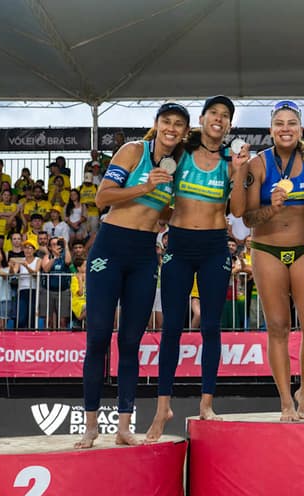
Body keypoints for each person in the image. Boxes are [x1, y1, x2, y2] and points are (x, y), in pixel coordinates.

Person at [77, 102, 191, 449]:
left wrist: (172, 211)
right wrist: (145, 187)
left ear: (185, 132)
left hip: (144, 253)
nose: (171, 128)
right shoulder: (133, 151)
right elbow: (102, 197)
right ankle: (91, 426)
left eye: (178, 125)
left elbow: (166, 211)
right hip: (110, 248)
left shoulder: (181, 165)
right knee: (97, 338)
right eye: (166, 121)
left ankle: (124, 426)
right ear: (156, 125)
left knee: (130, 343)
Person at [146, 95, 250, 441]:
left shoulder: (230, 159)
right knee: (172, 328)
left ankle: (207, 404)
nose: (219, 119)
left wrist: (239, 170)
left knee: (210, 327)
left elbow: (236, 211)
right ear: (203, 119)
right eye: (213, 113)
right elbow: (160, 200)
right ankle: (163, 408)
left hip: (213, 247)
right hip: (178, 243)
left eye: (225, 116)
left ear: (230, 125)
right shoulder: (181, 153)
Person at [240, 100, 304, 422]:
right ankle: (285, 402)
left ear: (300, 129)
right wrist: (272, 209)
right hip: (268, 249)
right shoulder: (259, 164)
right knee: (277, 326)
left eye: (292, 123)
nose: (286, 128)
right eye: (280, 123)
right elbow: (248, 218)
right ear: (271, 130)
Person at [39, 236, 72, 329]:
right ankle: (47, 341)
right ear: (49, 247)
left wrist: (66, 245)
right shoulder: (47, 257)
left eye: (58, 244)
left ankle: (62, 342)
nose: (56, 246)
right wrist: (55, 257)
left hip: (63, 291)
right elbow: (46, 269)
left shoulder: (65, 256)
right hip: (48, 291)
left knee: (63, 320)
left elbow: (68, 262)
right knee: (48, 320)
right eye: (53, 244)